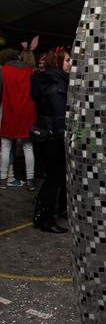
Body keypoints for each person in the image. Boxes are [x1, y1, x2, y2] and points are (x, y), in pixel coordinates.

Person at [30, 47, 71, 233]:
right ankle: (44, 219)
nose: (70, 64)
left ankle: (43, 212)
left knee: (54, 177)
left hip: (46, 134)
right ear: (57, 62)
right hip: (53, 137)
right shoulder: (57, 85)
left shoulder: (47, 80)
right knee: (53, 178)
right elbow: (59, 117)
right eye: (67, 60)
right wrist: (65, 139)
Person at [0, 48, 36, 190]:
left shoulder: (3, 71)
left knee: (5, 147)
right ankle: (30, 181)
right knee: (28, 147)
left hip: (9, 113)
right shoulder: (30, 71)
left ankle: (3, 179)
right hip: (28, 113)